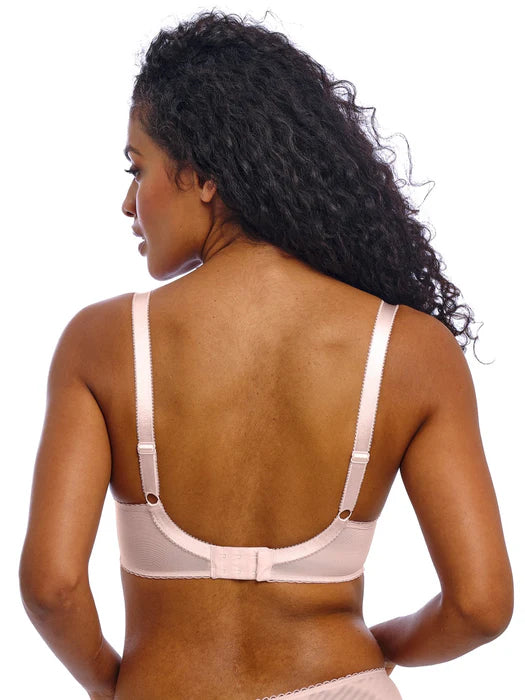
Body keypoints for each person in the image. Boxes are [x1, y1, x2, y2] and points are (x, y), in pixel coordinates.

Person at [18, 9, 513, 699]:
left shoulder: (100, 344)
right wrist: (378, 650)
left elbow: (52, 587)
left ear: (203, 176)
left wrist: (116, 688)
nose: (129, 203)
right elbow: (480, 606)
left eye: (138, 168)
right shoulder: (411, 351)